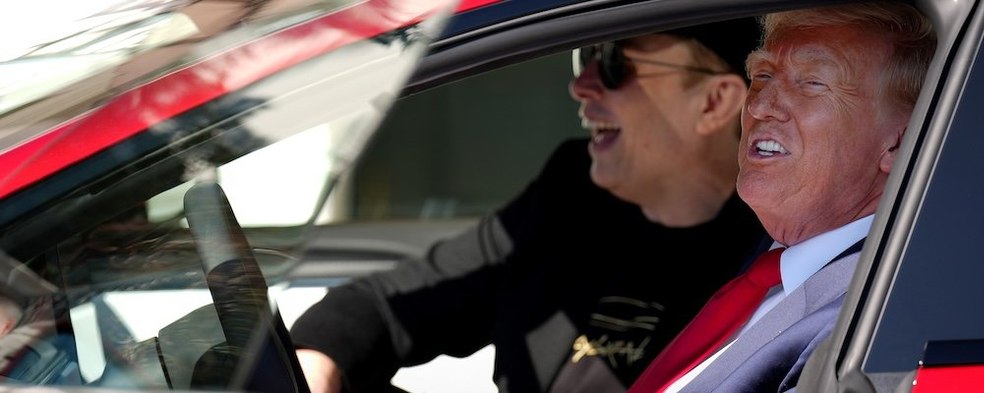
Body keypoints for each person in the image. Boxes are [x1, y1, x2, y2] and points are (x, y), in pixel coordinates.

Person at [289, 17, 768, 393]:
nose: (582, 86)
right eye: (587, 56)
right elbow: (391, 304)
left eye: (615, 63)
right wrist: (319, 361)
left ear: (714, 103)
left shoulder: (774, 249)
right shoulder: (570, 196)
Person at [628, 3, 936, 392]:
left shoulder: (870, 325)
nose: (758, 106)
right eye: (762, 75)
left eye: (812, 82)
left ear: (898, 143)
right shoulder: (750, 262)